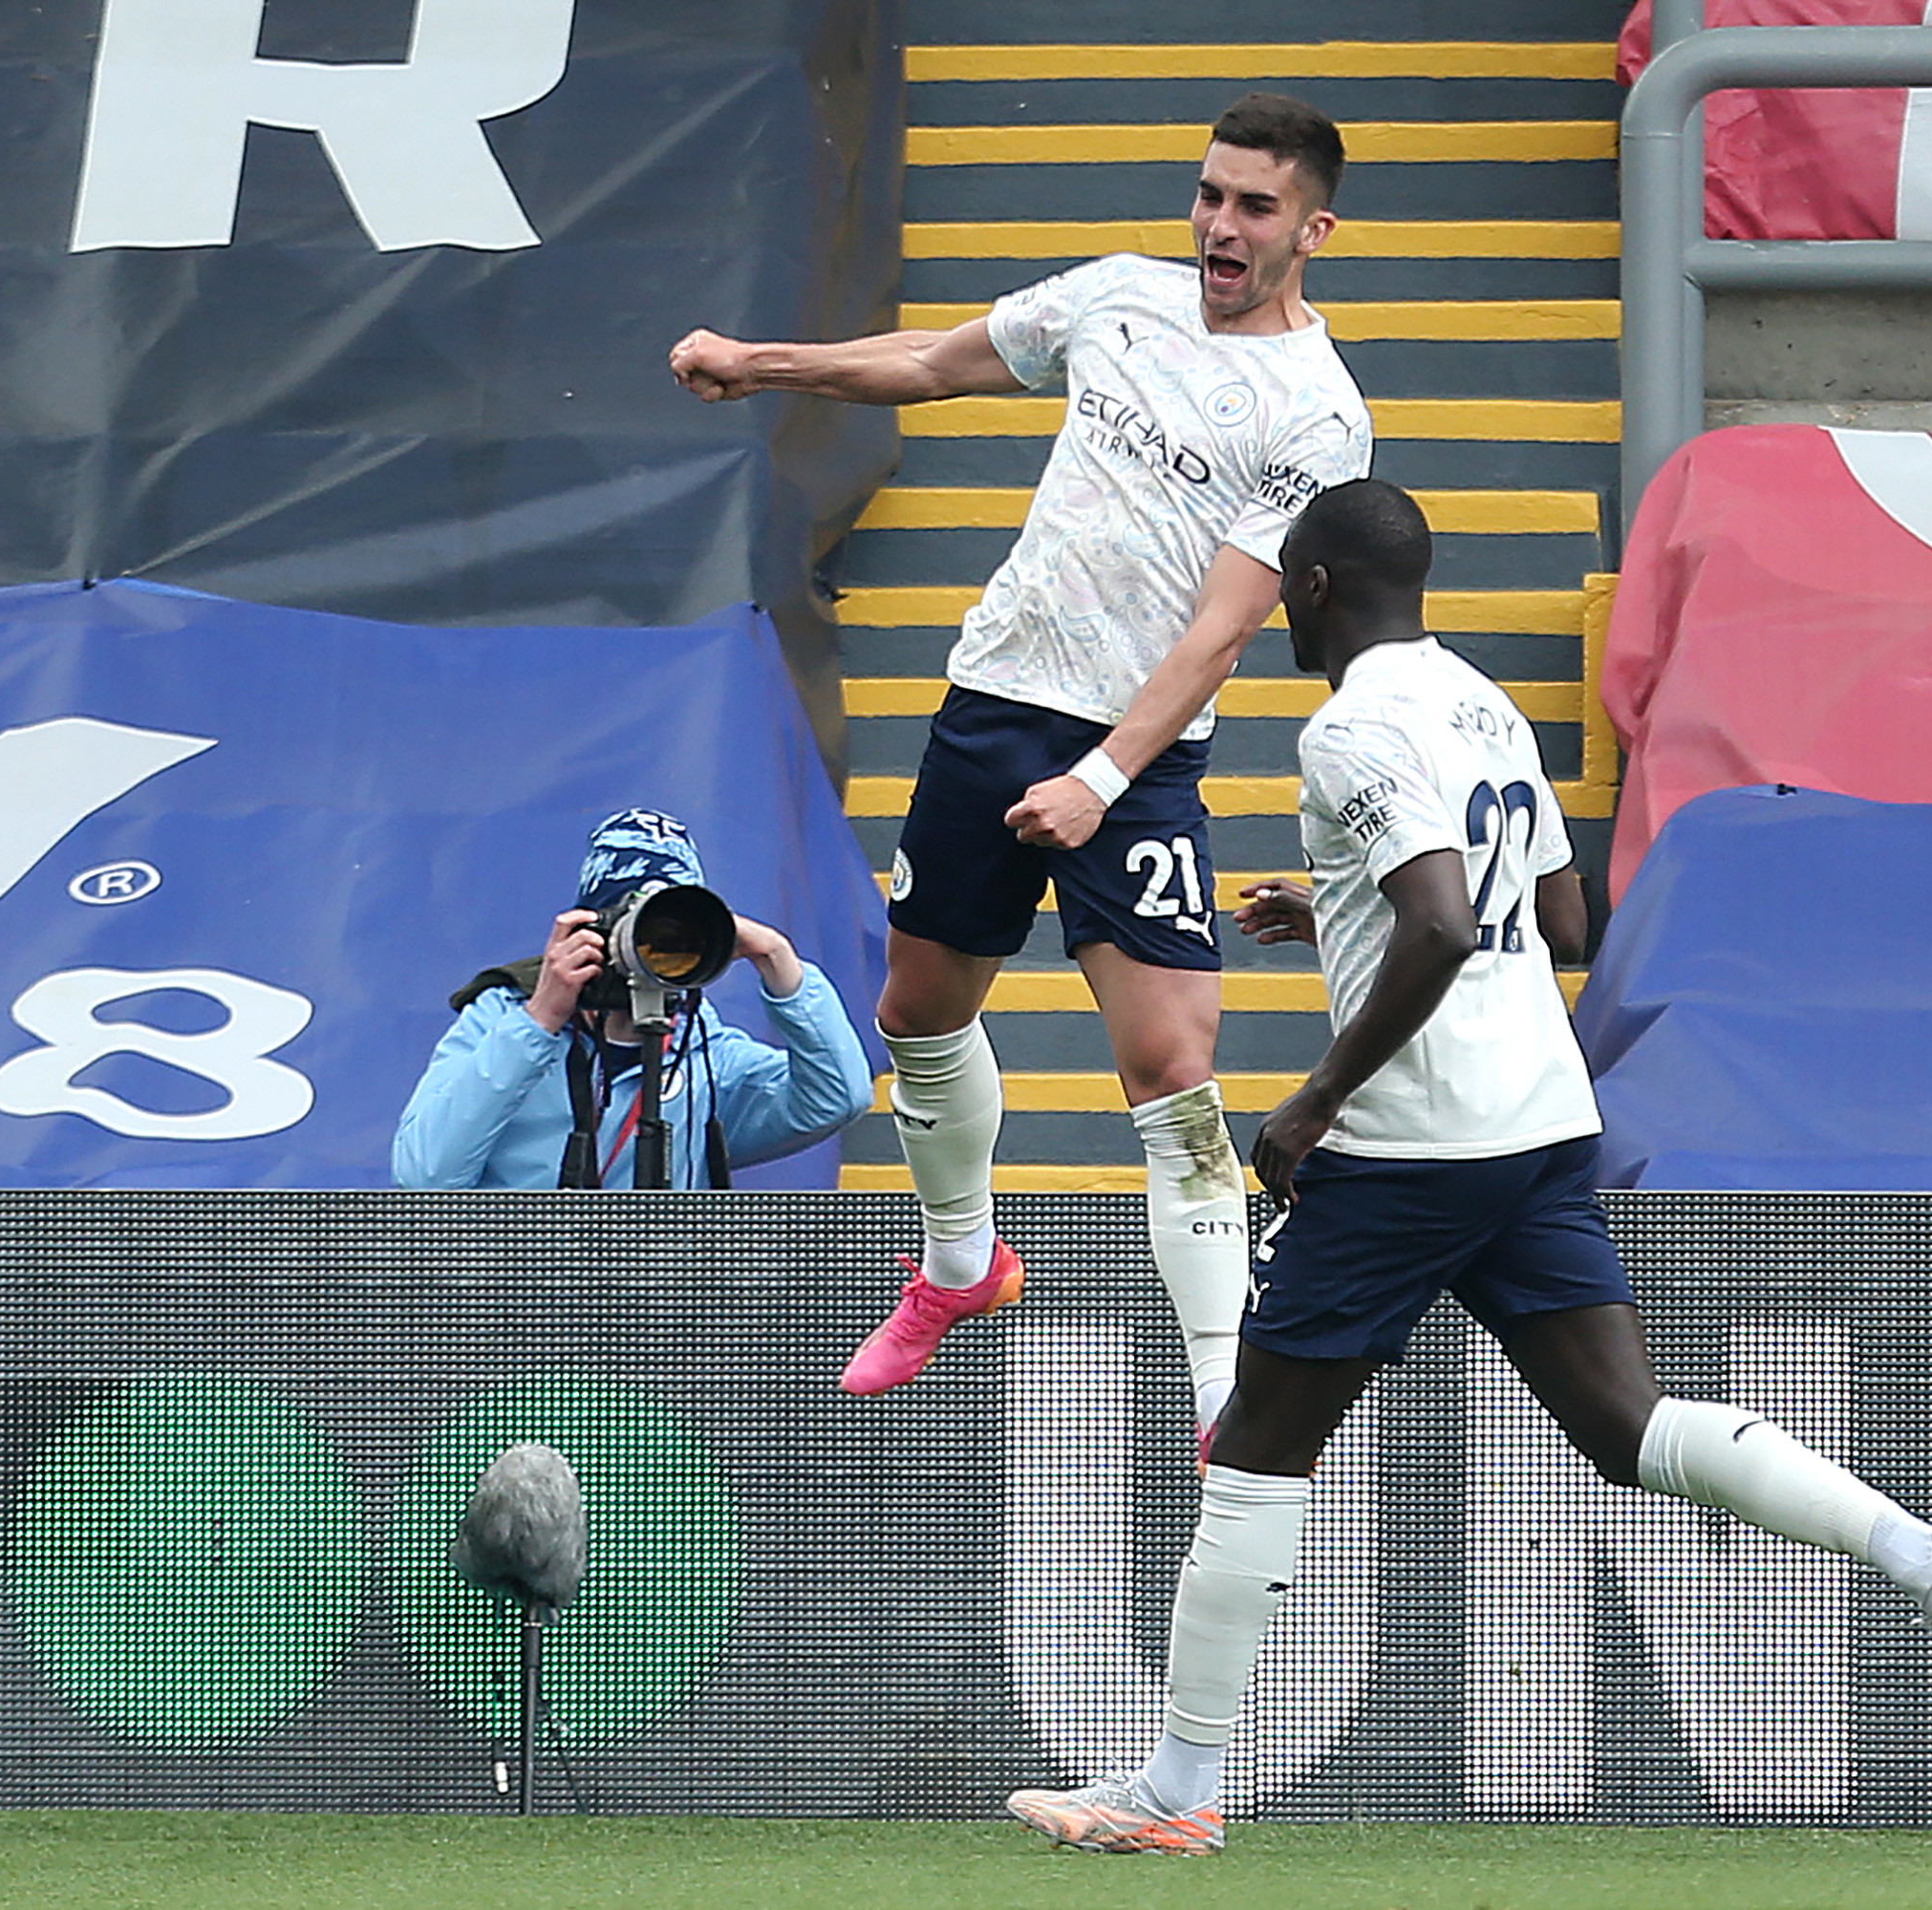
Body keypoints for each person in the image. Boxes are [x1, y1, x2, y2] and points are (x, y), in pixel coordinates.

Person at [1003, 481, 1932, 1856]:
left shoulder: (1351, 725)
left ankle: (1176, 1787)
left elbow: (1434, 921)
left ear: (1308, 588)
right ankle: (1922, 1551)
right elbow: (1555, 908)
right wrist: (1340, 904)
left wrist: (1312, 1101)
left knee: (1254, 1444)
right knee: (1626, 1420)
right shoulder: (1484, 701)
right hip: (1538, 1117)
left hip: (1414, 1143)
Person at [669, 96, 1373, 1425]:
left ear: (1314, 230)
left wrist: (1101, 776)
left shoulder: (1322, 416)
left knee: (1172, 1058)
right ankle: (959, 1263)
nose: (1222, 224)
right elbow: (934, 362)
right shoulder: (1115, 298)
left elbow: (1225, 629)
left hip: (1140, 754)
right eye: (1210, 193)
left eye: (1256, 206)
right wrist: (762, 362)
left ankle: (1228, 1390)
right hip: (999, 693)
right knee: (916, 1010)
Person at [394, 808, 868, 1191]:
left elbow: (837, 1098)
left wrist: (777, 956)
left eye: (678, 936)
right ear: (589, 925)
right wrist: (540, 1020)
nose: (656, 950)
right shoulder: (501, 1016)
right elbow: (423, 1176)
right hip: (520, 1303)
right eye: (640, 930)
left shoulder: (702, 1055)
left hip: (658, 1303)